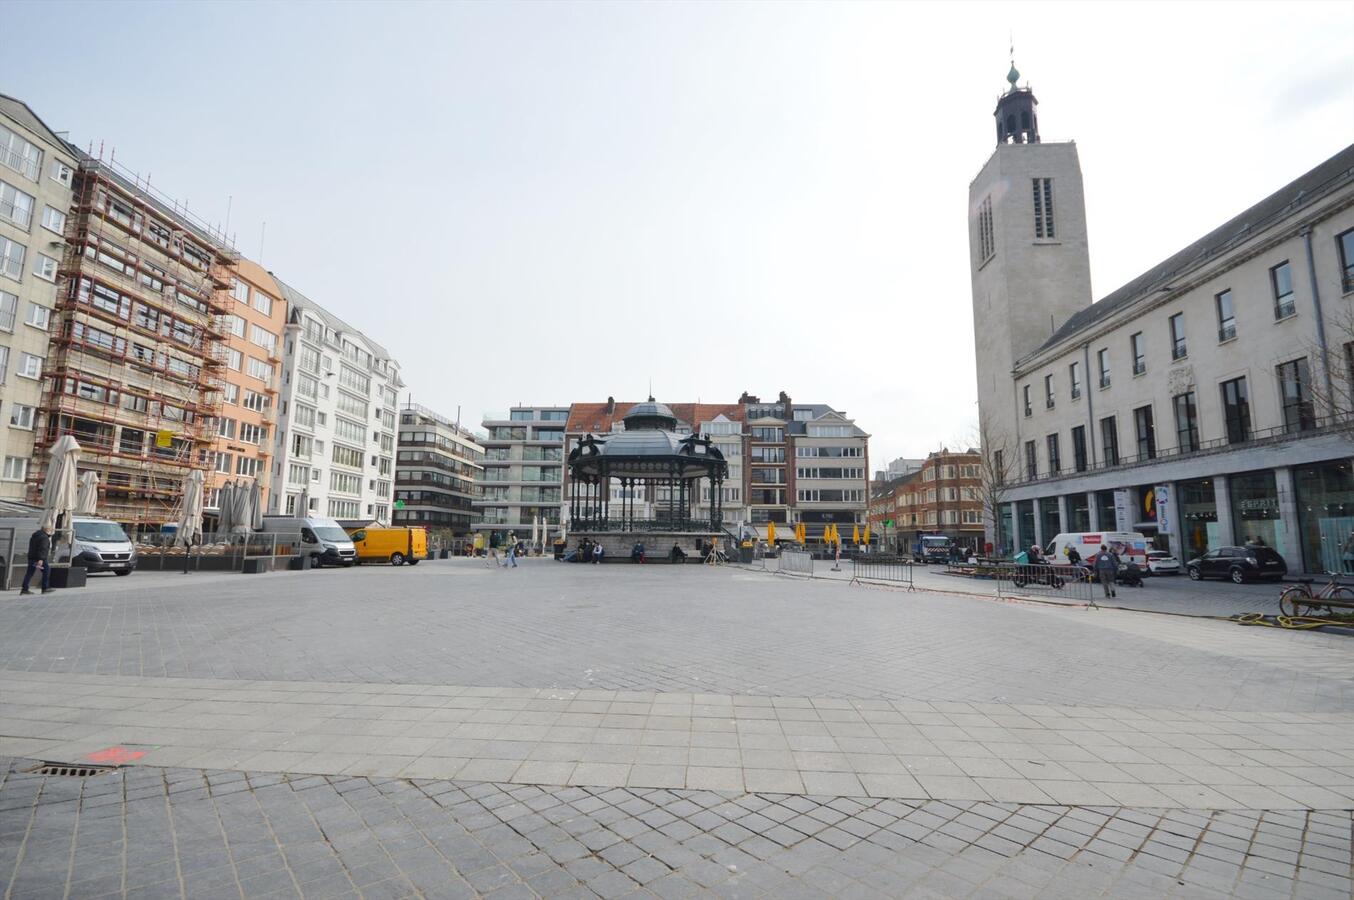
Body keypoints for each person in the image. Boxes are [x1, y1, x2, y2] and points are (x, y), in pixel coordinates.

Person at [21, 525, 54, 595]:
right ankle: (45, 588)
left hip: (32, 558)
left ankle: (24, 589)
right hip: (39, 559)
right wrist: (41, 559)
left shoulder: (34, 536)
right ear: (47, 530)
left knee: (29, 573)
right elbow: (43, 549)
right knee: (46, 570)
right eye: (51, 530)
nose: (52, 532)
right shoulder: (44, 538)